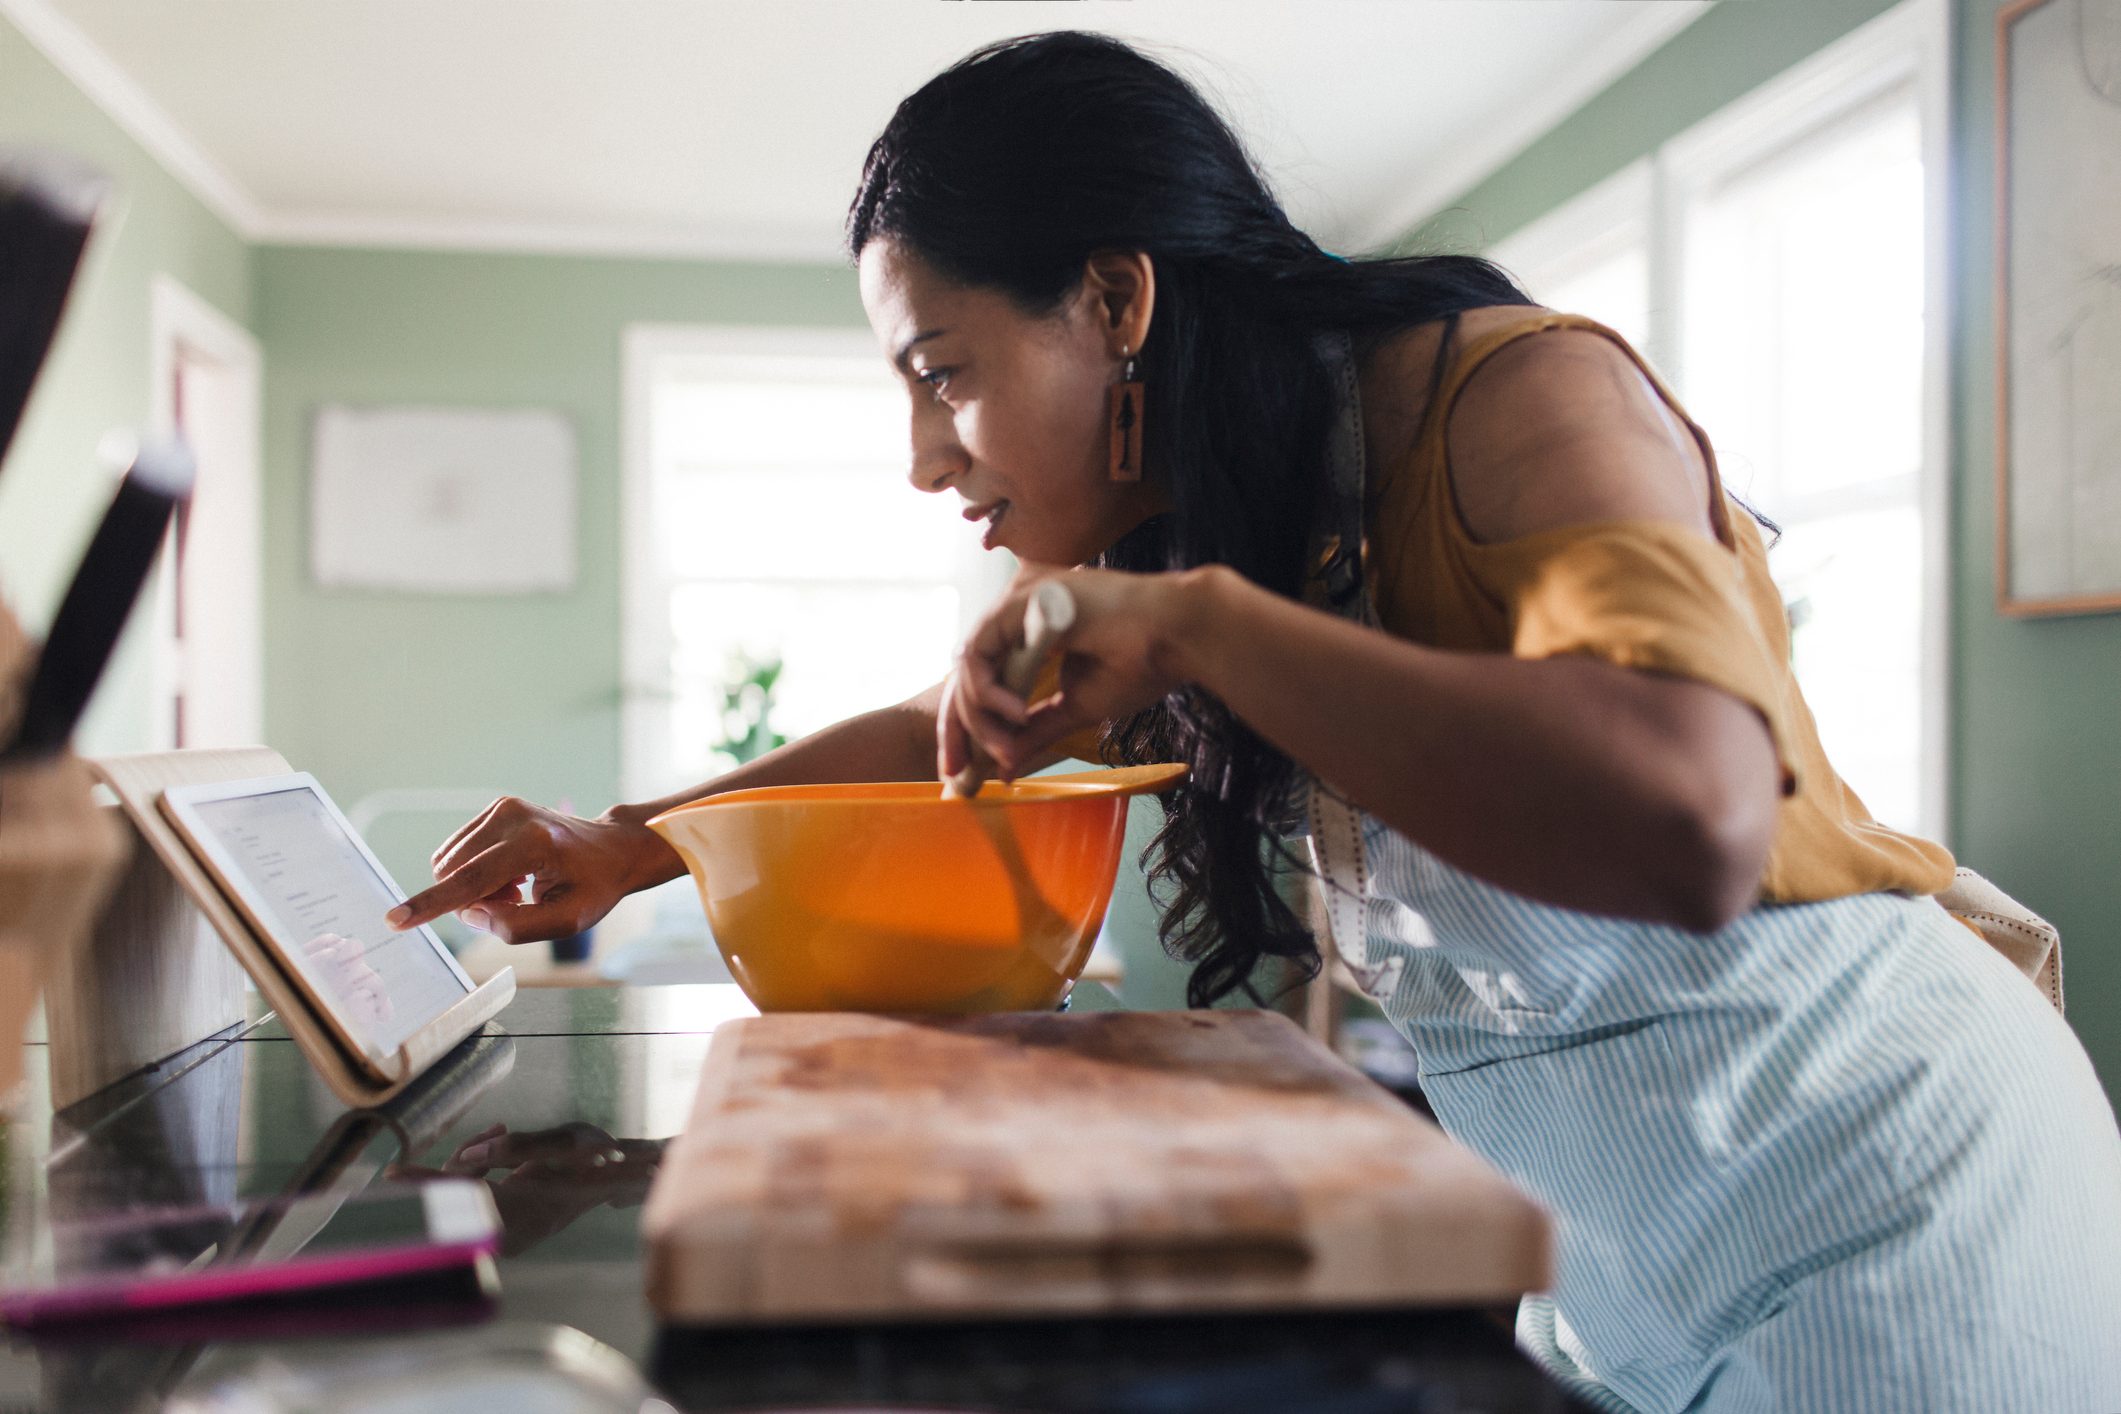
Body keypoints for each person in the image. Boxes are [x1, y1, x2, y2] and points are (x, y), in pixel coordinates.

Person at [388, 32, 2121, 1412]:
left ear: (1115, 299)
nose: (925, 456)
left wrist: (1210, 627)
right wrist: (638, 841)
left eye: (944, 372)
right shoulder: (1213, 521)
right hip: (1628, 1274)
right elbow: (948, 725)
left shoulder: (1523, 393)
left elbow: (1691, 819)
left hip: (1897, 1216)